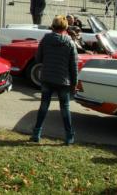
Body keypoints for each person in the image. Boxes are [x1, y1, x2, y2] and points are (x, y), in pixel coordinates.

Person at [30, 15, 78, 145]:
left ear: (53, 26)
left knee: (44, 106)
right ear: (66, 27)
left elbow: (38, 59)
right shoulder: (70, 42)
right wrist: (74, 83)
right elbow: (73, 66)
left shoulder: (46, 39)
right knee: (65, 108)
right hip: (63, 80)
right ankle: (69, 137)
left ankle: (36, 133)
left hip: (47, 78)